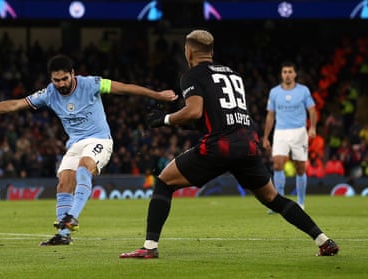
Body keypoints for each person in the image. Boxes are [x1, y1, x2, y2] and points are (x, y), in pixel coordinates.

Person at [119, 30, 338, 259]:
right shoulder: (234, 75)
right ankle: (323, 241)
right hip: (247, 144)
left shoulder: (192, 75)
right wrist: (181, 124)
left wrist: (165, 120)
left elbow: (194, 111)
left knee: (164, 182)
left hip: (220, 146)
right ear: (211, 52)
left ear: (189, 51)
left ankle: (150, 247)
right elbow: (216, 116)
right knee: (273, 199)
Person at [0, 54, 177, 246]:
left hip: (99, 139)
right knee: (64, 181)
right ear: (51, 79)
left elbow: (126, 88)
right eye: (56, 80)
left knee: (85, 167)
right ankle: (63, 234)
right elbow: (16, 105)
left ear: (72, 74)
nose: (61, 84)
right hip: (75, 143)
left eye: (64, 79)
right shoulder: (49, 93)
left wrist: (157, 95)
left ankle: (72, 216)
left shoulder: (91, 83)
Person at [262, 61, 317, 211]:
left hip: (299, 131)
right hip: (280, 131)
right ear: (281, 74)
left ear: (295, 74)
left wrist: (312, 127)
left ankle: (301, 202)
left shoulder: (303, 91)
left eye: (290, 72)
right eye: (285, 72)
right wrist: (266, 136)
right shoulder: (274, 92)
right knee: (277, 164)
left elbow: (312, 110)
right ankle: (278, 203)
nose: (287, 74)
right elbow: (270, 115)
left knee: (300, 167)